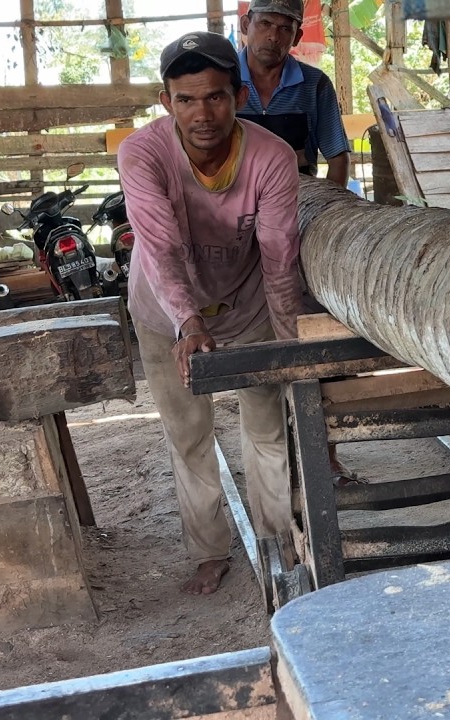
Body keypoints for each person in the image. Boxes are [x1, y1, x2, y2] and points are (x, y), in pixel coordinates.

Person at [117, 31, 303, 596]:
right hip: (163, 314)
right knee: (190, 435)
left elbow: (278, 256)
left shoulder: (272, 158)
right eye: (187, 99)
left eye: (216, 97)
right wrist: (187, 322)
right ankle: (210, 552)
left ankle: (280, 542)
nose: (203, 113)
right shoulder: (142, 153)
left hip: (246, 307)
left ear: (239, 96)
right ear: (165, 101)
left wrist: (291, 345)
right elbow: (159, 245)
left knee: (268, 428)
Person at [237, 0, 351, 186]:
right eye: (264, 24)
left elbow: (338, 158)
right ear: (245, 25)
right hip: (233, 202)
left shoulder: (315, 85)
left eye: (284, 29)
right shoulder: (222, 79)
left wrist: (327, 209)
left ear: (296, 37)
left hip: (298, 203)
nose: (273, 36)